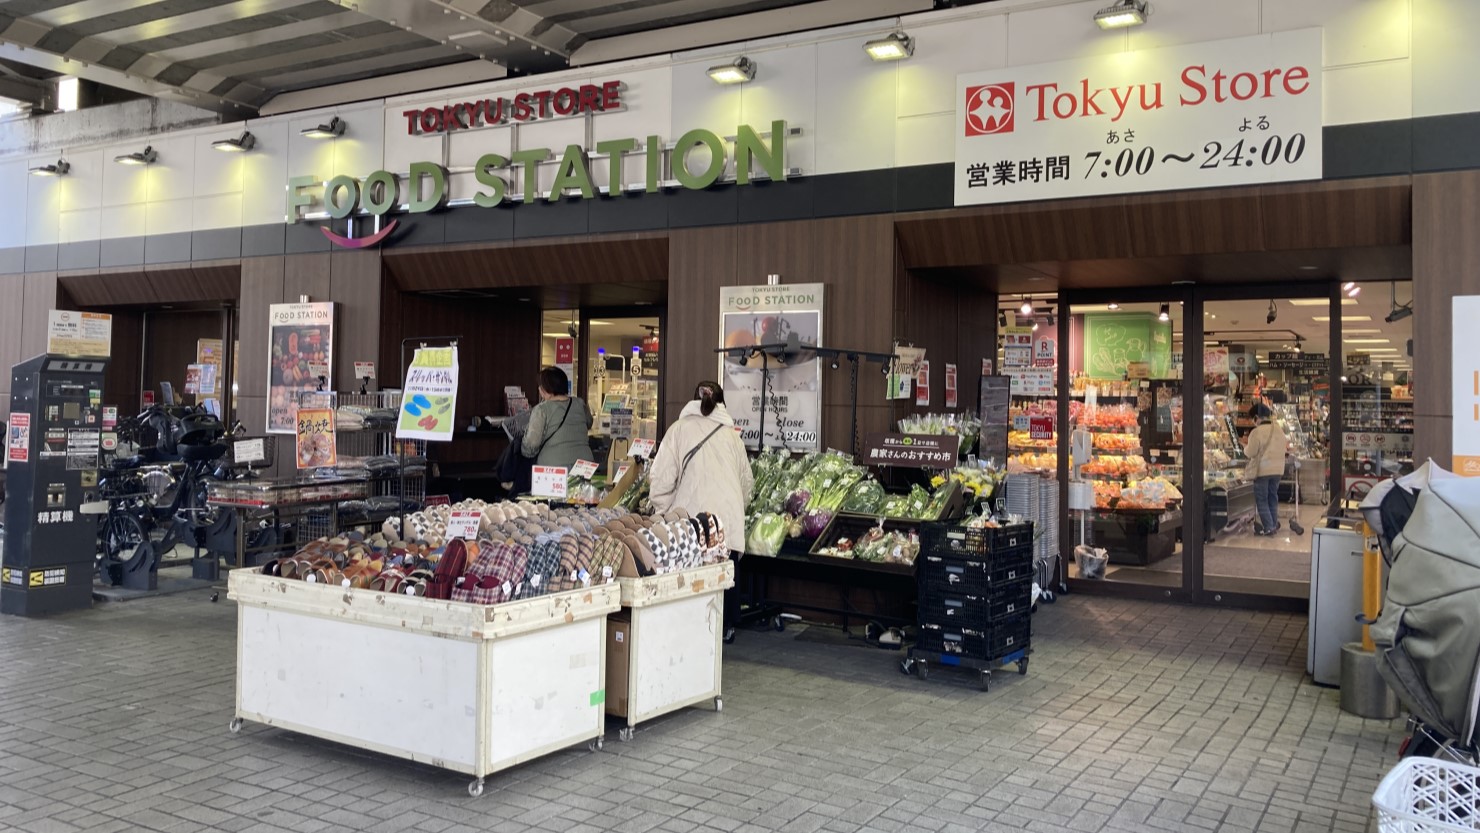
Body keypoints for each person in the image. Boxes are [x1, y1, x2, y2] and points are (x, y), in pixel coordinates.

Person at [649, 382, 753, 642]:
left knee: (694, 576)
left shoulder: (678, 430)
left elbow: (661, 478)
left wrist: (665, 514)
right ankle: (726, 627)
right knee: (724, 573)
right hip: (726, 519)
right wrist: (736, 509)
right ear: (722, 404)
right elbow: (746, 483)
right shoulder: (732, 436)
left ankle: (696, 630)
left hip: (692, 519)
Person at [521, 367, 593, 470]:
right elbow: (589, 423)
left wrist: (523, 447)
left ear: (544, 389)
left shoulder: (542, 409)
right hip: (585, 465)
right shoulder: (579, 403)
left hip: (555, 467)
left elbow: (532, 444)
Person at [1244, 404, 1289, 536]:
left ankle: (1269, 527)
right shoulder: (1279, 429)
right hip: (1278, 469)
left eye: (1253, 419)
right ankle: (1273, 524)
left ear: (1256, 417)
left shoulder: (1257, 432)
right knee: (1272, 497)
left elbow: (1251, 452)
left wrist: (1244, 448)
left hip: (1263, 470)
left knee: (1262, 499)